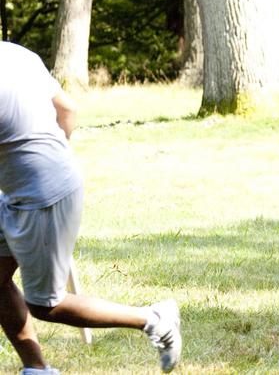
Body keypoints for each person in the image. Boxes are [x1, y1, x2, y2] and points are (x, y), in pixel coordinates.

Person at [0, 41, 182, 373]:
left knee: (46, 305)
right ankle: (37, 370)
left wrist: (37, 172)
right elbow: (67, 110)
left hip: (42, 198)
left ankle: (154, 318)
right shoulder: (15, 54)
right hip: (42, 182)